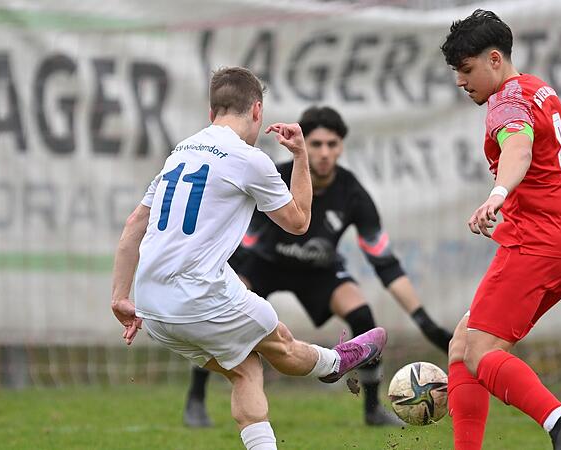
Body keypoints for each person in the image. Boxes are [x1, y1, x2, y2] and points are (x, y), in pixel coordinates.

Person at [110, 67, 387, 450]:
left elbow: (133, 224)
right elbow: (299, 221)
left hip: (151, 307)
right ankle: (335, 363)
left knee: (245, 369)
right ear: (257, 111)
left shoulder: (180, 153)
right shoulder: (248, 159)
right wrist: (300, 155)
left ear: (212, 114)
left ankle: (325, 371)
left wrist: (119, 297)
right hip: (198, 293)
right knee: (283, 346)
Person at [183, 105, 453, 428]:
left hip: (318, 269)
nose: (324, 153)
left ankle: (372, 409)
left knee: (363, 317)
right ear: (303, 146)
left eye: (332, 144)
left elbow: (386, 264)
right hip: (262, 264)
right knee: (220, 314)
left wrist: (426, 323)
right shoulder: (273, 176)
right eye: (316, 144)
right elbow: (242, 239)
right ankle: (195, 401)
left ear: (341, 147)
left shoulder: (353, 194)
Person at [440, 10, 561, 450]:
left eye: (466, 70)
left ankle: (559, 420)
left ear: (494, 59)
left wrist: (498, 193)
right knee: (463, 345)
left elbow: (519, 147)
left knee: (479, 353)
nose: (460, 81)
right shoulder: (538, 89)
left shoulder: (506, 100)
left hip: (534, 246)